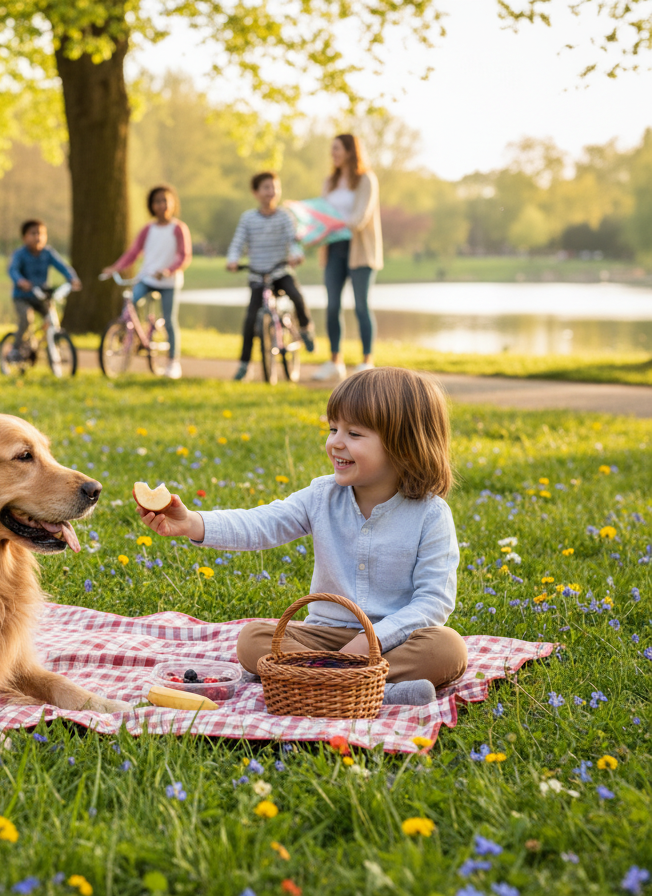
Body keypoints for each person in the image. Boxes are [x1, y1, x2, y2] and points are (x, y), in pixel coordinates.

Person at [135, 367, 467, 706]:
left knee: (447, 648)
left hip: (393, 643)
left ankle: (311, 681)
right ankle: (374, 689)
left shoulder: (430, 515)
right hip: (322, 637)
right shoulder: (321, 496)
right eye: (333, 428)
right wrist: (192, 522)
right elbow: (260, 523)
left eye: (354, 433)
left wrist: (374, 641)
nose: (335, 442)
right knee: (252, 640)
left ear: (404, 447)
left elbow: (432, 603)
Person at [225, 171, 316, 381]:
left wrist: (296, 256)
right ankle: (244, 365)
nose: (271, 192)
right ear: (256, 192)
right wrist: (232, 260)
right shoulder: (248, 218)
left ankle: (305, 328)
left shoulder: (284, 216)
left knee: (296, 295)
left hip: (280, 270)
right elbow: (238, 242)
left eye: (275, 187)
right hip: (258, 274)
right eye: (266, 187)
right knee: (250, 320)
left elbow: (293, 240)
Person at [312, 133, 384, 382]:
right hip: (333, 250)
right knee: (332, 306)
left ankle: (366, 361)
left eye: (337, 149)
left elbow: (360, 217)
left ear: (350, 151)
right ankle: (335, 361)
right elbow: (320, 214)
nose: (333, 154)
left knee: (361, 306)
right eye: (331, 149)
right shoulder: (329, 182)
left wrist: (333, 225)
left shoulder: (366, 180)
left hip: (359, 250)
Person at [101, 185, 192, 380]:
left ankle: (173, 362)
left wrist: (169, 270)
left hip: (169, 281)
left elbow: (184, 256)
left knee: (169, 320)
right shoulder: (148, 229)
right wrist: (116, 267)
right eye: (157, 201)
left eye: (165, 201)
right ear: (152, 205)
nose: (162, 205)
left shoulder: (178, 228)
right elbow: (133, 253)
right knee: (130, 302)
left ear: (173, 203)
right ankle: (130, 336)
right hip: (148, 277)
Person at [7, 219, 81, 360]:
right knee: (26, 319)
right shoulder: (20, 254)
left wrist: (72, 278)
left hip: (41, 295)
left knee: (52, 320)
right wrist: (21, 281)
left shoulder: (48, 253)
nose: (38, 237)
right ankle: (15, 349)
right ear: (24, 238)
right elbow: (13, 270)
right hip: (22, 296)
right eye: (33, 233)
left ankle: (51, 347)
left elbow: (63, 266)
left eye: (41, 233)